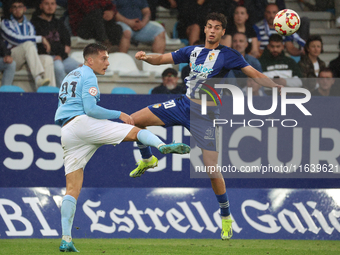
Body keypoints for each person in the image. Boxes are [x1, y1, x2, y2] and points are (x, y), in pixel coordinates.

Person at [130, 12, 282, 240]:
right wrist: (145, 57)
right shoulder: (192, 51)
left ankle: (226, 216)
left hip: (205, 115)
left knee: (212, 170)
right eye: (209, 26)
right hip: (182, 105)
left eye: (217, 27)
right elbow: (162, 59)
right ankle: (147, 158)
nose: (212, 30)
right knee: (133, 121)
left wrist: (274, 87)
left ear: (222, 32)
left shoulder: (228, 55)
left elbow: (255, 73)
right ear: (204, 29)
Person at [55, 43, 190, 252]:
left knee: (72, 189)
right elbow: (90, 109)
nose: (107, 63)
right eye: (103, 58)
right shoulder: (88, 75)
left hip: (67, 131)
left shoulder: (69, 75)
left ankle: (66, 238)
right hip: (83, 124)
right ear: (90, 60)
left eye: (108, 58)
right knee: (135, 129)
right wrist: (119, 113)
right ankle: (162, 146)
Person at [1, 0, 56, 89]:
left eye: (20, 7)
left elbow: (33, 45)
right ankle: (38, 78)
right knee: (28, 44)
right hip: (13, 58)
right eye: (14, 7)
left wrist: (32, 61)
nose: (17, 9)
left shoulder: (29, 25)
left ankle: (51, 92)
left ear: (25, 9)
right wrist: (40, 38)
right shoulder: (5, 23)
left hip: (27, 58)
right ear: (11, 10)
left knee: (47, 59)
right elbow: (16, 39)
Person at [31, 0, 81, 88]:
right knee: (58, 67)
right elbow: (43, 48)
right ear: (41, 6)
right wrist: (60, 51)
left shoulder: (59, 23)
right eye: (47, 4)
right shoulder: (34, 23)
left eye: (52, 4)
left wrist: (60, 54)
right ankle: (62, 96)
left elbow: (67, 44)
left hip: (62, 57)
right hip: (47, 58)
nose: (50, 7)